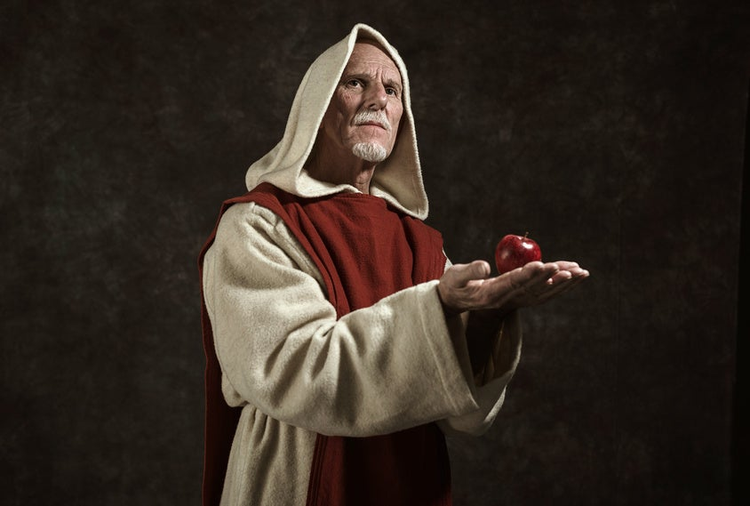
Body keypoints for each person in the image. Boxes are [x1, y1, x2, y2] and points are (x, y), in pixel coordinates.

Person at [198, 23, 589, 506]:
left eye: (392, 89)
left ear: (403, 117)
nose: (378, 100)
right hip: (295, 478)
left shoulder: (420, 243)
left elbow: (457, 412)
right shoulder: (258, 225)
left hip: (408, 484)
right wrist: (437, 305)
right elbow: (296, 371)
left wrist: (487, 317)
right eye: (356, 82)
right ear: (317, 106)